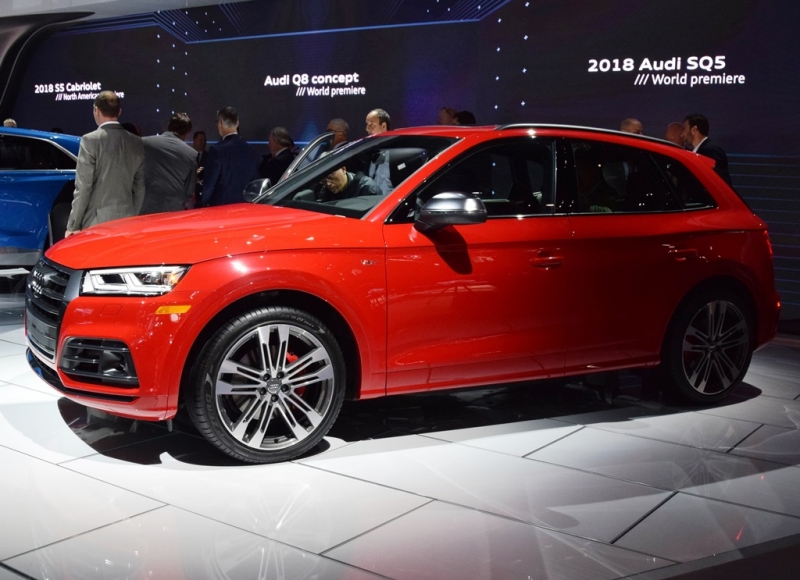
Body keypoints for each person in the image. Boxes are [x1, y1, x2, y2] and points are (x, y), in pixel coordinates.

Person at [65, 90, 144, 237]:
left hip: (97, 223)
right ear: (119, 111)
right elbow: (140, 187)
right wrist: (134, 216)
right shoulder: (136, 142)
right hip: (128, 220)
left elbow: (83, 187)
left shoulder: (90, 140)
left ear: (96, 110)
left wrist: (73, 225)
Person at [139, 112, 197, 214]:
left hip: (145, 204)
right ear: (188, 132)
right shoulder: (192, 154)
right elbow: (189, 190)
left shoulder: (144, 142)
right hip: (174, 207)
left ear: (168, 126)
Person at [201, 107, 260, 206]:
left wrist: (203, 203)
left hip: (222, 211)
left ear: (220, 124)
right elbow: (255, 185)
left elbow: (209, 185)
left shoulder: (217, 150)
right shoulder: (252, 151)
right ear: (237, 123)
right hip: (246, 209)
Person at [682, 113, 732, 185]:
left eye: (684, 129)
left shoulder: (712, 151)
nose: (682, 134)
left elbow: (720, 182)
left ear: (694, 129)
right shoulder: (702, 151)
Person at [365, 108, 393, 194]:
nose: (367, 129)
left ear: (384, 126)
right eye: (367, 125)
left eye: (372, 125)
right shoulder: (367, 152)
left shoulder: (397, 150)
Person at [318, 166, 382, 202]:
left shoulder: (368, 189)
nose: (328, 184)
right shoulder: (326, 189)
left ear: (343, 169)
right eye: (323, 181)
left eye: (330, 177)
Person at [192, 130, 207, 207]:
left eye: (205, 140)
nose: (203, 142)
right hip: (189, 195)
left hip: (202, 195)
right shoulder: (187, 155)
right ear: (194, 140)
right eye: (200, 140)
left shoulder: (210, 156)